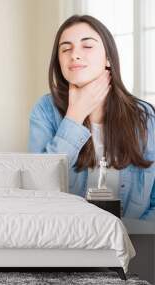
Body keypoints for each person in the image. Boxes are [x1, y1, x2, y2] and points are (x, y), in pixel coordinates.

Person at [28, 15, 155, 220]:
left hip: (134, 242)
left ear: (108, 58)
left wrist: (130, 239)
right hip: (67, 241)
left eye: (87, 46)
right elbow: (37, 188)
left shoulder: (145, 116)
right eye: (66, 49)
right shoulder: (44, 110)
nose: (75, 55)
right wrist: (75, 116)